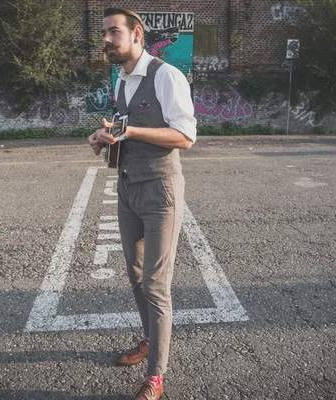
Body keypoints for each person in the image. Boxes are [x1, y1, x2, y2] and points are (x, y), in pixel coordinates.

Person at [88, 7, 197, 400]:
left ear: (136, 34)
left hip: (160, 190)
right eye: (104, 33)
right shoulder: (121, 81)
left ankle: (156, 377)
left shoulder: (167, 76)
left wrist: (129, 129)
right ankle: (150, 339)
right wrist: (104, 140)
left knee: (155, 283)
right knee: (135, 274)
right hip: (127, 186)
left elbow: (185, 137)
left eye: (113, 33)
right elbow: (123, 131)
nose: (106, 40)